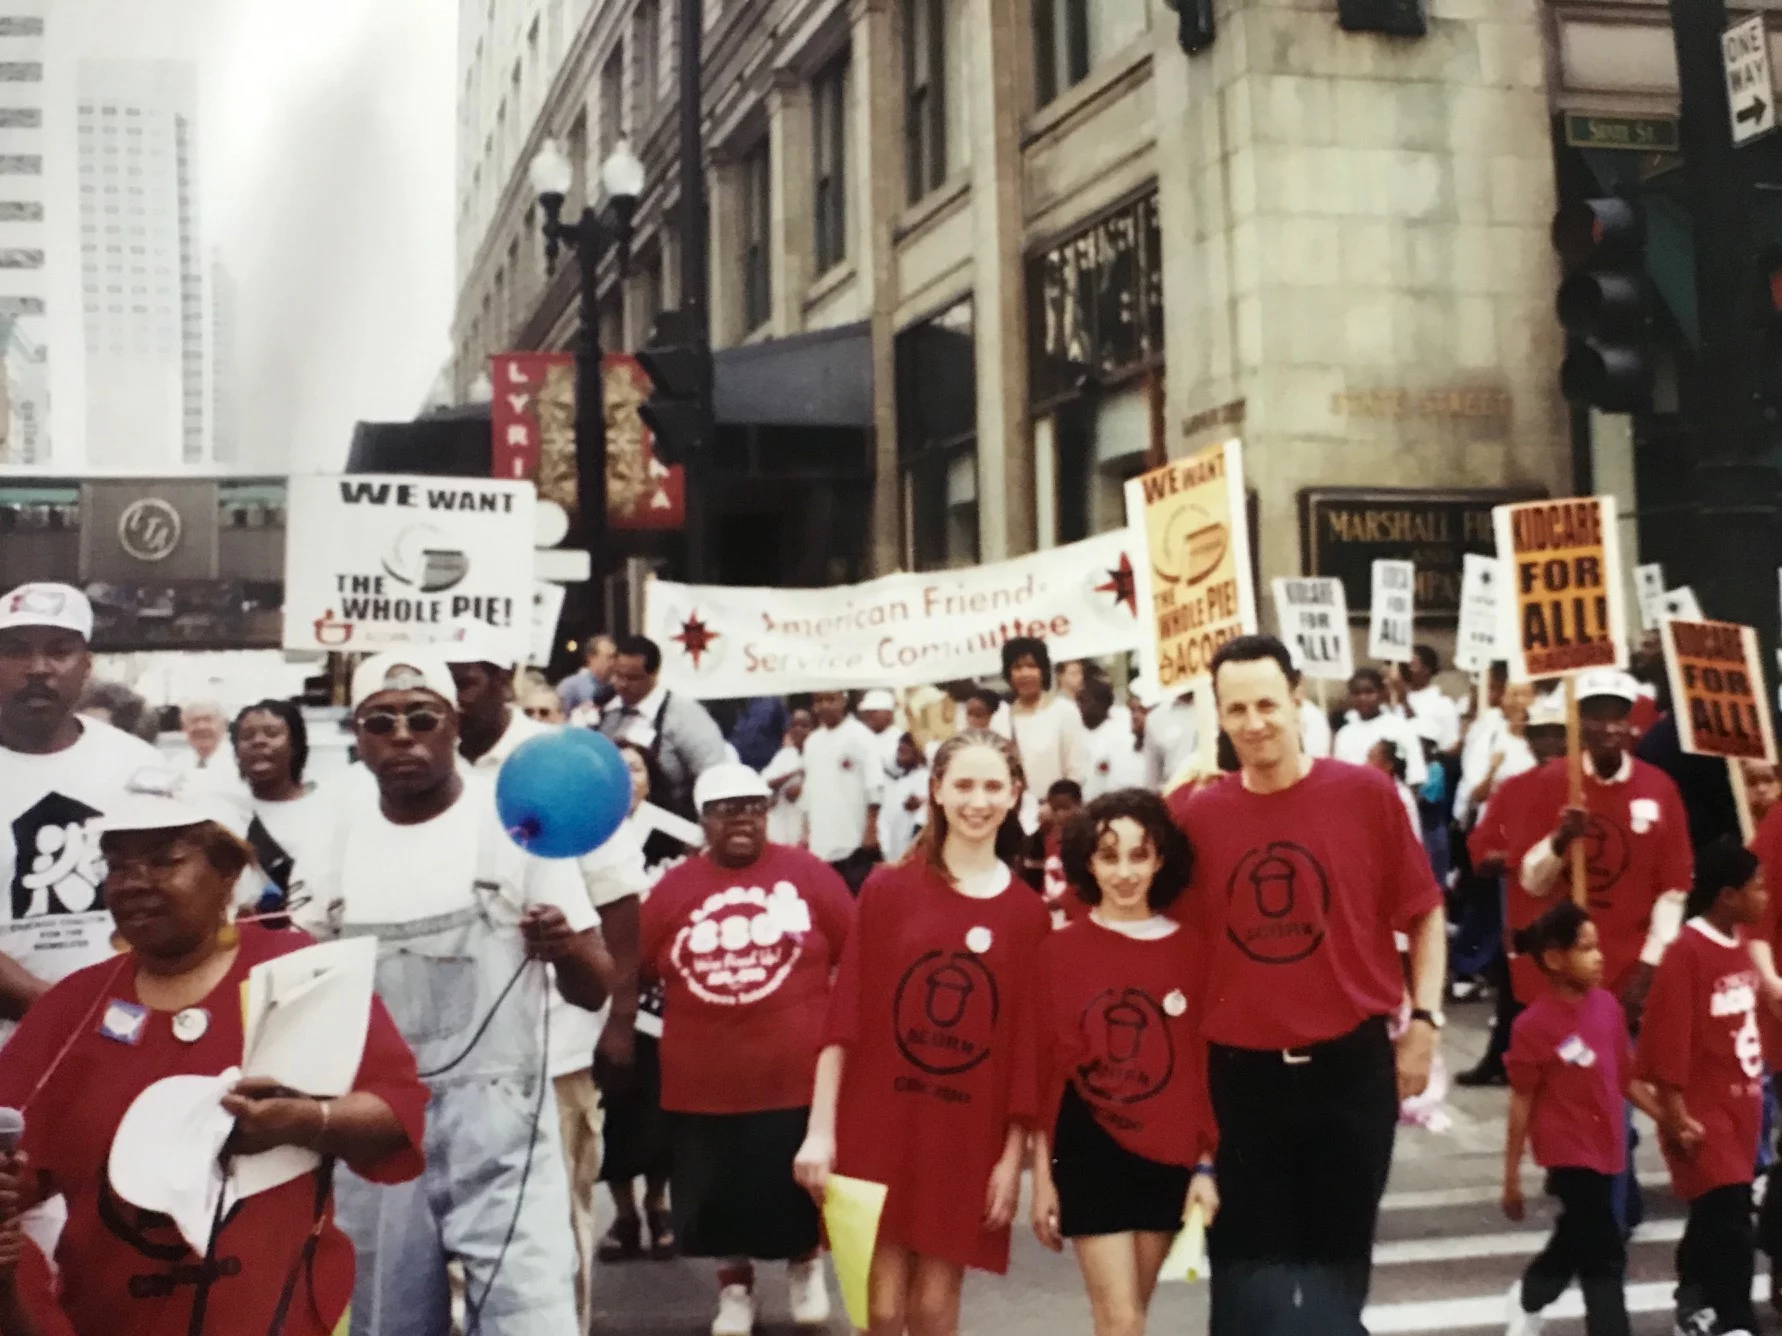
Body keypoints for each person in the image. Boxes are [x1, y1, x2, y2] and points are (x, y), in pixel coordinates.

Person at [0, 785, 428, 1335]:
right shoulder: (74, 1007)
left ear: (227, 872)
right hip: (108, 1318)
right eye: (117, 865)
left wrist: (307, 1121)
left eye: (164, 861)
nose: (134, 882)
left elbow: (396, 1117)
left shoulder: (299, 975)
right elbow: (16, 1164)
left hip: (278, 1317)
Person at [323, 650, 615, 1336]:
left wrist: (565, 947)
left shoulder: (510, 824)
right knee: (382, 1322)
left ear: (455, 725)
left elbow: (595, 984)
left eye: (422, 718)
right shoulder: (336, 834)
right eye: (380, 722)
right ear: (358, 735)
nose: (402, 736)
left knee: (530, 1321)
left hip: (501, 1132)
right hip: (377, 1132)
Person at [1170, 636, 1445, 1334]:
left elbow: (1424, 913)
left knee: (1335, 1288)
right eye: (1237, 709)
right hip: (1243, 1082)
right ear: (1218, 716)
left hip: (1349, 1072)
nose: (1254, 722)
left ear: (1296, 700)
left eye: (1267, 704)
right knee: (1245, 1295)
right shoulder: (1198, 817)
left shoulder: (1365, 795)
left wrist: (1425, 1022)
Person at [794, 730, 1049, 1335]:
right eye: (964, 785)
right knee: (879, 1310)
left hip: (965, 1133)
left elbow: (1025, 1050)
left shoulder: (1027, 914)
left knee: (935, 1310)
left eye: (993, 787)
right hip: (876, 1121)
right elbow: (844, 1017)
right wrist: (820, 1131)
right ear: (936, 790)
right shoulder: (887, 888)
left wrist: (1011, 1158)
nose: (977, 802)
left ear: (1015, 794)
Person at [444, 634, 647, 1318]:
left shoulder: (559, 760)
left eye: (466, 681)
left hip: (554, 1051)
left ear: (503, 678)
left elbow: (618, 899)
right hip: (446, 1059)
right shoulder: (419, 765)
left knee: (554, 1234)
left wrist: (620, 1021)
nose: (451, 699)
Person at [641, 764, 855, 1335]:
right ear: (703, 819)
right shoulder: (674, 887)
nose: (741, 819)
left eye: (753, 807)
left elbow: (855, 953)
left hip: (794, 1075)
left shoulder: (808, 873)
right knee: (718, 1201)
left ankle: (805, 1268)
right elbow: (638, 963)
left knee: (795, 1190)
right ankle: (734, 1289)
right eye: (725, 809)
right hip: (701, 1081)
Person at [1030, 789, 1219, 1336]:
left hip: (1169, 1155)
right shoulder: (1058, 952)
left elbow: (1204, 1070)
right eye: (1109, 856)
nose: (1125, 872)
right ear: (1087, 862)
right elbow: (1048, 1077)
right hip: (1089, 1148)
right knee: (1119, 1320)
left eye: (1139, 855)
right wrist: (1042, 1179)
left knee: (1131, 1315)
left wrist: (1205, 1166)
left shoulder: (1194, 951)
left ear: (1161, 860)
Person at [0, 582, 165, 1019]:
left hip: (129, 1025)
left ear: (87, 666)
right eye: (16, 651)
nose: (38, 668)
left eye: (59, 651)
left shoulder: (138, 766)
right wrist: (54, 1008)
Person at [1501, 900, 1662, 1336]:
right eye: (1586, 948)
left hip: (1608, 1145)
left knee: (1577, 1237)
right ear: (1555, 959)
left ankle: (1532, 1293)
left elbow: (1626, 1078)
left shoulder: (1607, 1007)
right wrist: (1511, 1174)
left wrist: (1667, 1118)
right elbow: (1521, 1100)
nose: (1599, 957)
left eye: (1597, 947)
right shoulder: (1533, 1025)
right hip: (1568, 1152)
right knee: (1605, 1249)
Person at [1635, 836, 1768, 1336]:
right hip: (1702, 1112)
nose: (1766, 895)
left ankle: (1693, 1300)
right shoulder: (1687, 953)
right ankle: (1734, 1318)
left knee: (1715, 1214)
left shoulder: (1740, 946)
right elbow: (1667, 1043)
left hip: (1743, 1107)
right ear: (1727, 895)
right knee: (1731, 1218)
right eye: (1757, 886)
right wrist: (1674, 1114)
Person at [1455, 692, 1571, 1089]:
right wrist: (1517, 858)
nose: (1550, 743)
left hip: (1578, 909)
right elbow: (1482, 847)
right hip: (1524, 908)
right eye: (1542, 734)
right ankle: (1503, 1058)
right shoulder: (1515, 788)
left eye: (1559, 733)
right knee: (1516, 986)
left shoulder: (1584, 786)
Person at [595, 741, 679, 1266]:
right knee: (615, 1110)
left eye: (636, 767)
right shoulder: (583, 835)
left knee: (659, 1104)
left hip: (662, 1000)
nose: (628, 778)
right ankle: (623, 1214)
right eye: (617, 769)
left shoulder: (675, 836)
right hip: (600, 992)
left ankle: (658, 1204)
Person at [229, 698, 334, 934]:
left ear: (295, 745)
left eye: (272, 733)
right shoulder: (226, 813)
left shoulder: (330, 809)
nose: (259, 741)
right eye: (247, 736)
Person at [599, 635, 728, 816]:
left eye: (632, 678)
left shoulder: (687, 718)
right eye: (617, 675)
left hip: (671, 822)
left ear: (654, 674)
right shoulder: (609, 713)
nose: (621, 685)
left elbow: (716, 779)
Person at [994, 638, 1087, 831]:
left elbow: (1076, 769)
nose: (1025, 673)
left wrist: (1055, 807)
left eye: (1031, 666)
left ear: (1043, 670)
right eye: (1017, 667)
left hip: (1059, 817)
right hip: (1016, 819)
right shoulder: (1000, 719)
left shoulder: (1064, 711)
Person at [803, 691, 883, 894]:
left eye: (830, 700)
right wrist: (805, 831)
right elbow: (808, 790)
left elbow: (874, 785)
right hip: (821, 838)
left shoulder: (861, 735)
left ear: (844, 701)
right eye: (819, 700)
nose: (824, 706)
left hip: (853, 838)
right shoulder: (812, 741)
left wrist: (871, 829)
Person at [1332, 667, 1428, 788]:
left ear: (1381, 693)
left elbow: (1415, 773)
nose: (1363, 698)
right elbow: (1340, 776)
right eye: (1356, 693)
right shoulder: (1344, 734)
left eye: (1369, 692)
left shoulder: (1399, 726)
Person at [1020, 780, 1084, 924]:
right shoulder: (1049, 837)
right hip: (1050, 912)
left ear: (1080, 806)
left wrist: (1061, 900)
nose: (1060, 814)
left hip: (1076, 914)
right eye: (1055, 809)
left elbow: (1083, 882)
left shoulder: (1086, 840)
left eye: (1066, 808)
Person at [1079, 678, 1146, 801]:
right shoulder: (1076, 731)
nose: (1081, 706)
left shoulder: (1122, 733)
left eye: (1085, 701)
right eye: (1078, 701)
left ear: (1102, 703)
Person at [761, 708, 814, 848]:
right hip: (782, 821)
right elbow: (767, 783)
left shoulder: (819, 754)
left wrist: (803, 787)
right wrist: (794, 774)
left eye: (804, 726)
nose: (798, 730)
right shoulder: (784, 755)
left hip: (807, 823)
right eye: (794, 725)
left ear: (812, 729)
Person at [880, 733, 931, 863]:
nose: (900, 756)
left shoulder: (924, 777)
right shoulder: (890, 776)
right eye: (900, 751)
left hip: (910, 841)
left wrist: (921, 801)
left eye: (905, 751)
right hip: (886, 842)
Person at [1402, 645, 1461, 755]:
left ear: (1426, 670)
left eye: (1412, 665)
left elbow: (1451, 745)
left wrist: (1402, 701)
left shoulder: (1442, 704)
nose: (1406, 669)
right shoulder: (1393, 697)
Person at [557, 633, 617, 718]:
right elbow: (560, 718)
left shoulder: (617, 687)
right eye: (609, 657)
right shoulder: (570, 686)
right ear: (591, 657)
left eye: (615, 657)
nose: (612, 662)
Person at [726, 695, 791, 773]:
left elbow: (787, 732)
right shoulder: (726, 702)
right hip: (735, 768)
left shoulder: (771, 702)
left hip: (765, 769)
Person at [175, 699, 230, 778]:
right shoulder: (177, 764)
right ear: (184, 728)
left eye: (208, 720)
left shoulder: (238, 762)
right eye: (194, 721)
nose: (201, 727)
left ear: (223, 726)